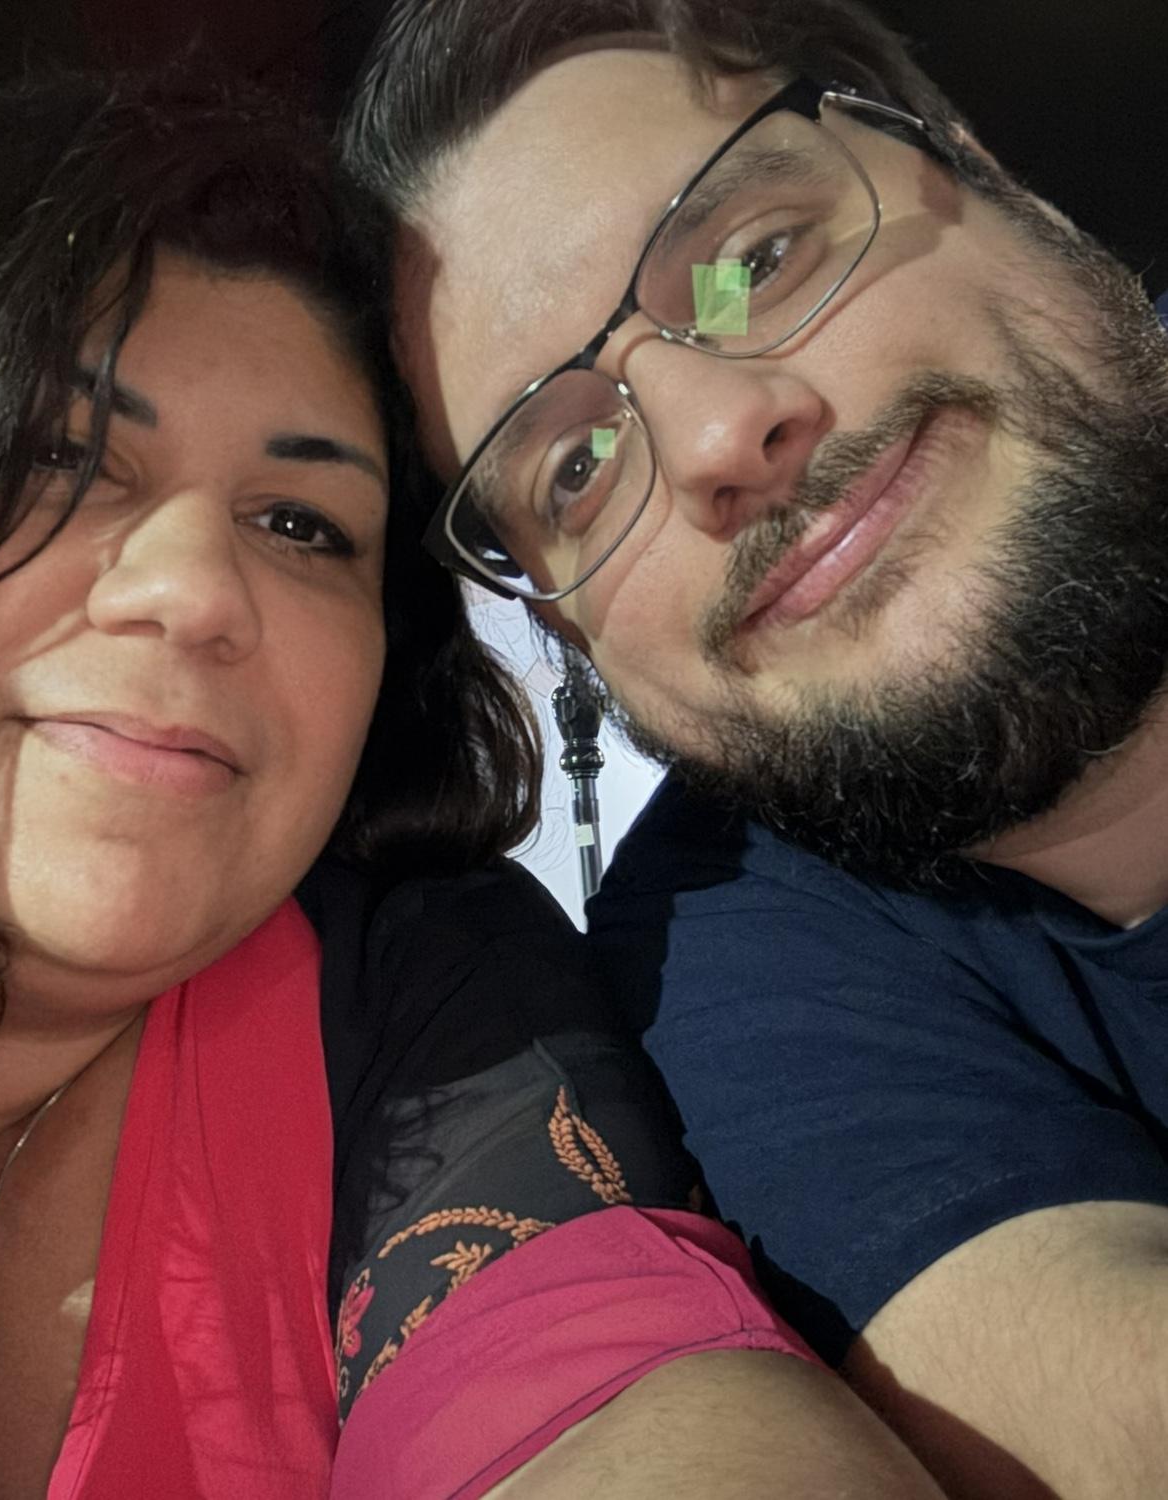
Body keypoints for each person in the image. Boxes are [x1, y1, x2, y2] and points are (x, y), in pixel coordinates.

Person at [0, 65, 945, 1500]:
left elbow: (622, 1392)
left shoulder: (419, 987)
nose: (196, 592)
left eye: (302, 523)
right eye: (60, 457)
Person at [345, 2, 1168, 1496]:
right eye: (577, 470)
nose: (719, 439)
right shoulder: (714, 951)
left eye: (757, 259)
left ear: (985, 175)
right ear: (572, 637)